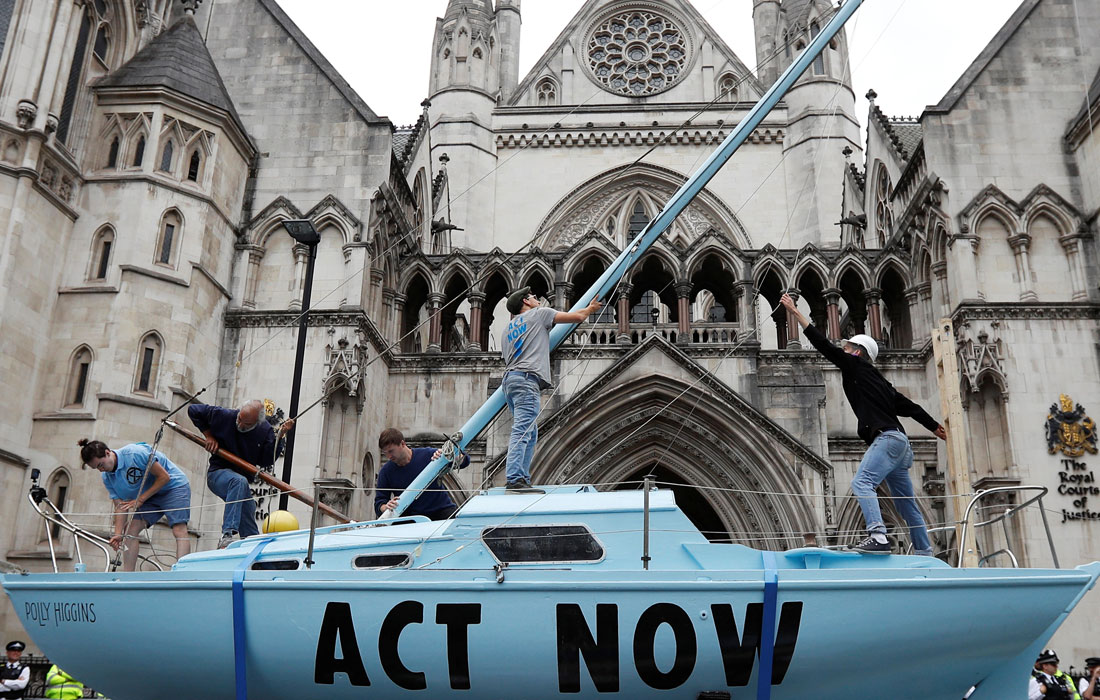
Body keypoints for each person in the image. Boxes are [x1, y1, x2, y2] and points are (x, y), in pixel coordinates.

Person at [779, 293, 946, 555]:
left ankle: (878, 536)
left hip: (887, 441)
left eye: (847, 348)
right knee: (906, 504)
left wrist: (794, 311)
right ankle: (925, 551)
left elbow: (822, 344)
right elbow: (911, 407)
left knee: (862, 482)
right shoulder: (881, 382)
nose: (843, 351)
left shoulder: (855, 365)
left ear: (857, 352)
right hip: (901, 446)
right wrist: (935, 427)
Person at [500, 286, 601, 492]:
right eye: (533, 296)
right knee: (523, 429)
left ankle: (522, 477)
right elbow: (577, 317)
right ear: (526, 302)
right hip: (527, 379)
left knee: (531, 431)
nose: (537, 298)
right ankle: (515, 478)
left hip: (510, 380)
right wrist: (590, 308)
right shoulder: (540, 314)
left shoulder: (508, 328)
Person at [187, 400, 294, 548]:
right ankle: (227, 535)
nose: (240, 424)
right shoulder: (226, 415)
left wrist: (281, 435)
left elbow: (267, 460)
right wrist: (208, 435)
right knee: (239, 481)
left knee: (248, 508)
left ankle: (254, 548)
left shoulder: (265, 431)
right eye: (239, 419)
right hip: (218, 474)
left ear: (258, 422)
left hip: (240, 485)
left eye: (246, 423)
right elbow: (194, 410)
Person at [79, 438, 191, 571]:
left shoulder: (135, 454)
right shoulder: (107, 477)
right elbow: (120, 506)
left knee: (179, 529)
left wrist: (141, 499)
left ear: (108, 453)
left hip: (173, 487)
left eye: (100, 465)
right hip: (149, 496)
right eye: (96, 468)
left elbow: (164, 477)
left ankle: (183, 572)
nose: (101, 470)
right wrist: (118, 533)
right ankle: (128, 576)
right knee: (129, 532)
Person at [375, 429, 468, 520]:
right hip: (410, 518)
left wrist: (449, 456)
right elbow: (379, 503)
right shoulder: (385, 471)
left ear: (402, 444)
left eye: (391, 451)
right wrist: (386, 507)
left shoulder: (429, 455)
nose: (388, 456)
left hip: (441, 510)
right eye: (385, 453)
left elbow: (465, 461)